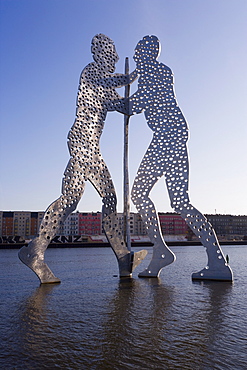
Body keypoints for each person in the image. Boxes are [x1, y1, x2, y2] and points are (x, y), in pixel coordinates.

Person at [19, 34, 146, 283]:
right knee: (90, 198)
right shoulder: (91, 73)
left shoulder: (106, 87)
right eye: (112, 53)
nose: (117, 58)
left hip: (89, 146)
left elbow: (125, 106)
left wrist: (146, 98)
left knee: (80, 199)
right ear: (100, 54)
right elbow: (107, 82)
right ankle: (120, 255)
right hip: (82, 142)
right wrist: (129, 77)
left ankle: (38, 251)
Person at [129, 35, 233, 280]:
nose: (134, 58)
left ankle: (164, 252)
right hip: (171, 135)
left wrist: (109, 102)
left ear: (146, 54)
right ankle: (210, 261)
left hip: (168, 136)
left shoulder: (155, 72)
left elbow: (137, 104)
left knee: (141, 194)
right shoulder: (157, 71)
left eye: (137, 54)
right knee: (179, 201)